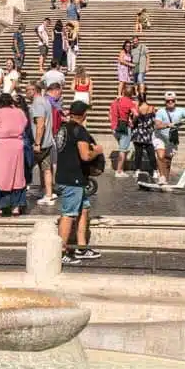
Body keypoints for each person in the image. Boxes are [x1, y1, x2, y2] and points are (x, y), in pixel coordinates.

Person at [54, 100, 103, 264]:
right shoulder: (79, 130)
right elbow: (85, 156)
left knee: (83, 210)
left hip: (66, 175)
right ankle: (60, 252)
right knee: (69, 214)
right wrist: (96, 152)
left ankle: (82, 247)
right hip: (72, 178)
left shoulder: (63, 129)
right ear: (84, 115)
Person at [0, 94, 29, 216]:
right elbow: (25, 124)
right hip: (17, 146)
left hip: (1, 147)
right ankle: (16, 206)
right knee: (17, 176)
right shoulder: (19, 112)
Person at [153, 91, 185, 184]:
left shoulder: (181, 110)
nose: (170, 102)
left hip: (171, 138)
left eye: (172, 101)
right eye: (168, 101)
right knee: (160, 156)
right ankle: (162, 176)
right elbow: (157, 125)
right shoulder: (161, 111)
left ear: (175, 101)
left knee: (168, 160)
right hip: (159, 136)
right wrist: (168, 125)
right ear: (165, 102)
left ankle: (166, 181)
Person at [26, 81, 57, 206]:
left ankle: (21, 191)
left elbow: (40, 124)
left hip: (41, 143)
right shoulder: (45, 101)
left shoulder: (38, 103)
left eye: (28, 90)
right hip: (48, 141)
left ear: (35, 90)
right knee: (46, 169)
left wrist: (37, 143)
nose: (26, 92)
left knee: (26, 166)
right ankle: (48, 193)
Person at [110, 87, 138, 177]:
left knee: (122, 147)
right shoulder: (130, 102)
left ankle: (121, 168)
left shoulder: (115, 101)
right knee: (123, 150)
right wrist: (132, 121)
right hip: (124, 128)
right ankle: (119, 171)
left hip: (114, 127)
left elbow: (109, 114)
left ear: (123, 92)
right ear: (131, 94)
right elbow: (136, 114)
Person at [131, 99, 158, 181]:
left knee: (151, 154)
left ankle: (154, 170)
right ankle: (138, 170)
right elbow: (133, 124)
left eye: (145, 107)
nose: (144, 109)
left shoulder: (152, 115)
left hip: (146, 137)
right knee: (139, 154)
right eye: (142, 108)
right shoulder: (138, 116)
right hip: (140, 137)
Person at [131, 36, 150, 101]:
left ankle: (141, 94)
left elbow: (148, 57)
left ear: (138, 41)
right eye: (133, 41)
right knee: (135, 81)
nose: (135, 42)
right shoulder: (132, 49)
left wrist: (147, 66)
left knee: (140, 79)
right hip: (134, 67)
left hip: (142, 66)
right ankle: (136, 94)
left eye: (136, 41)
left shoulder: (143, 47)